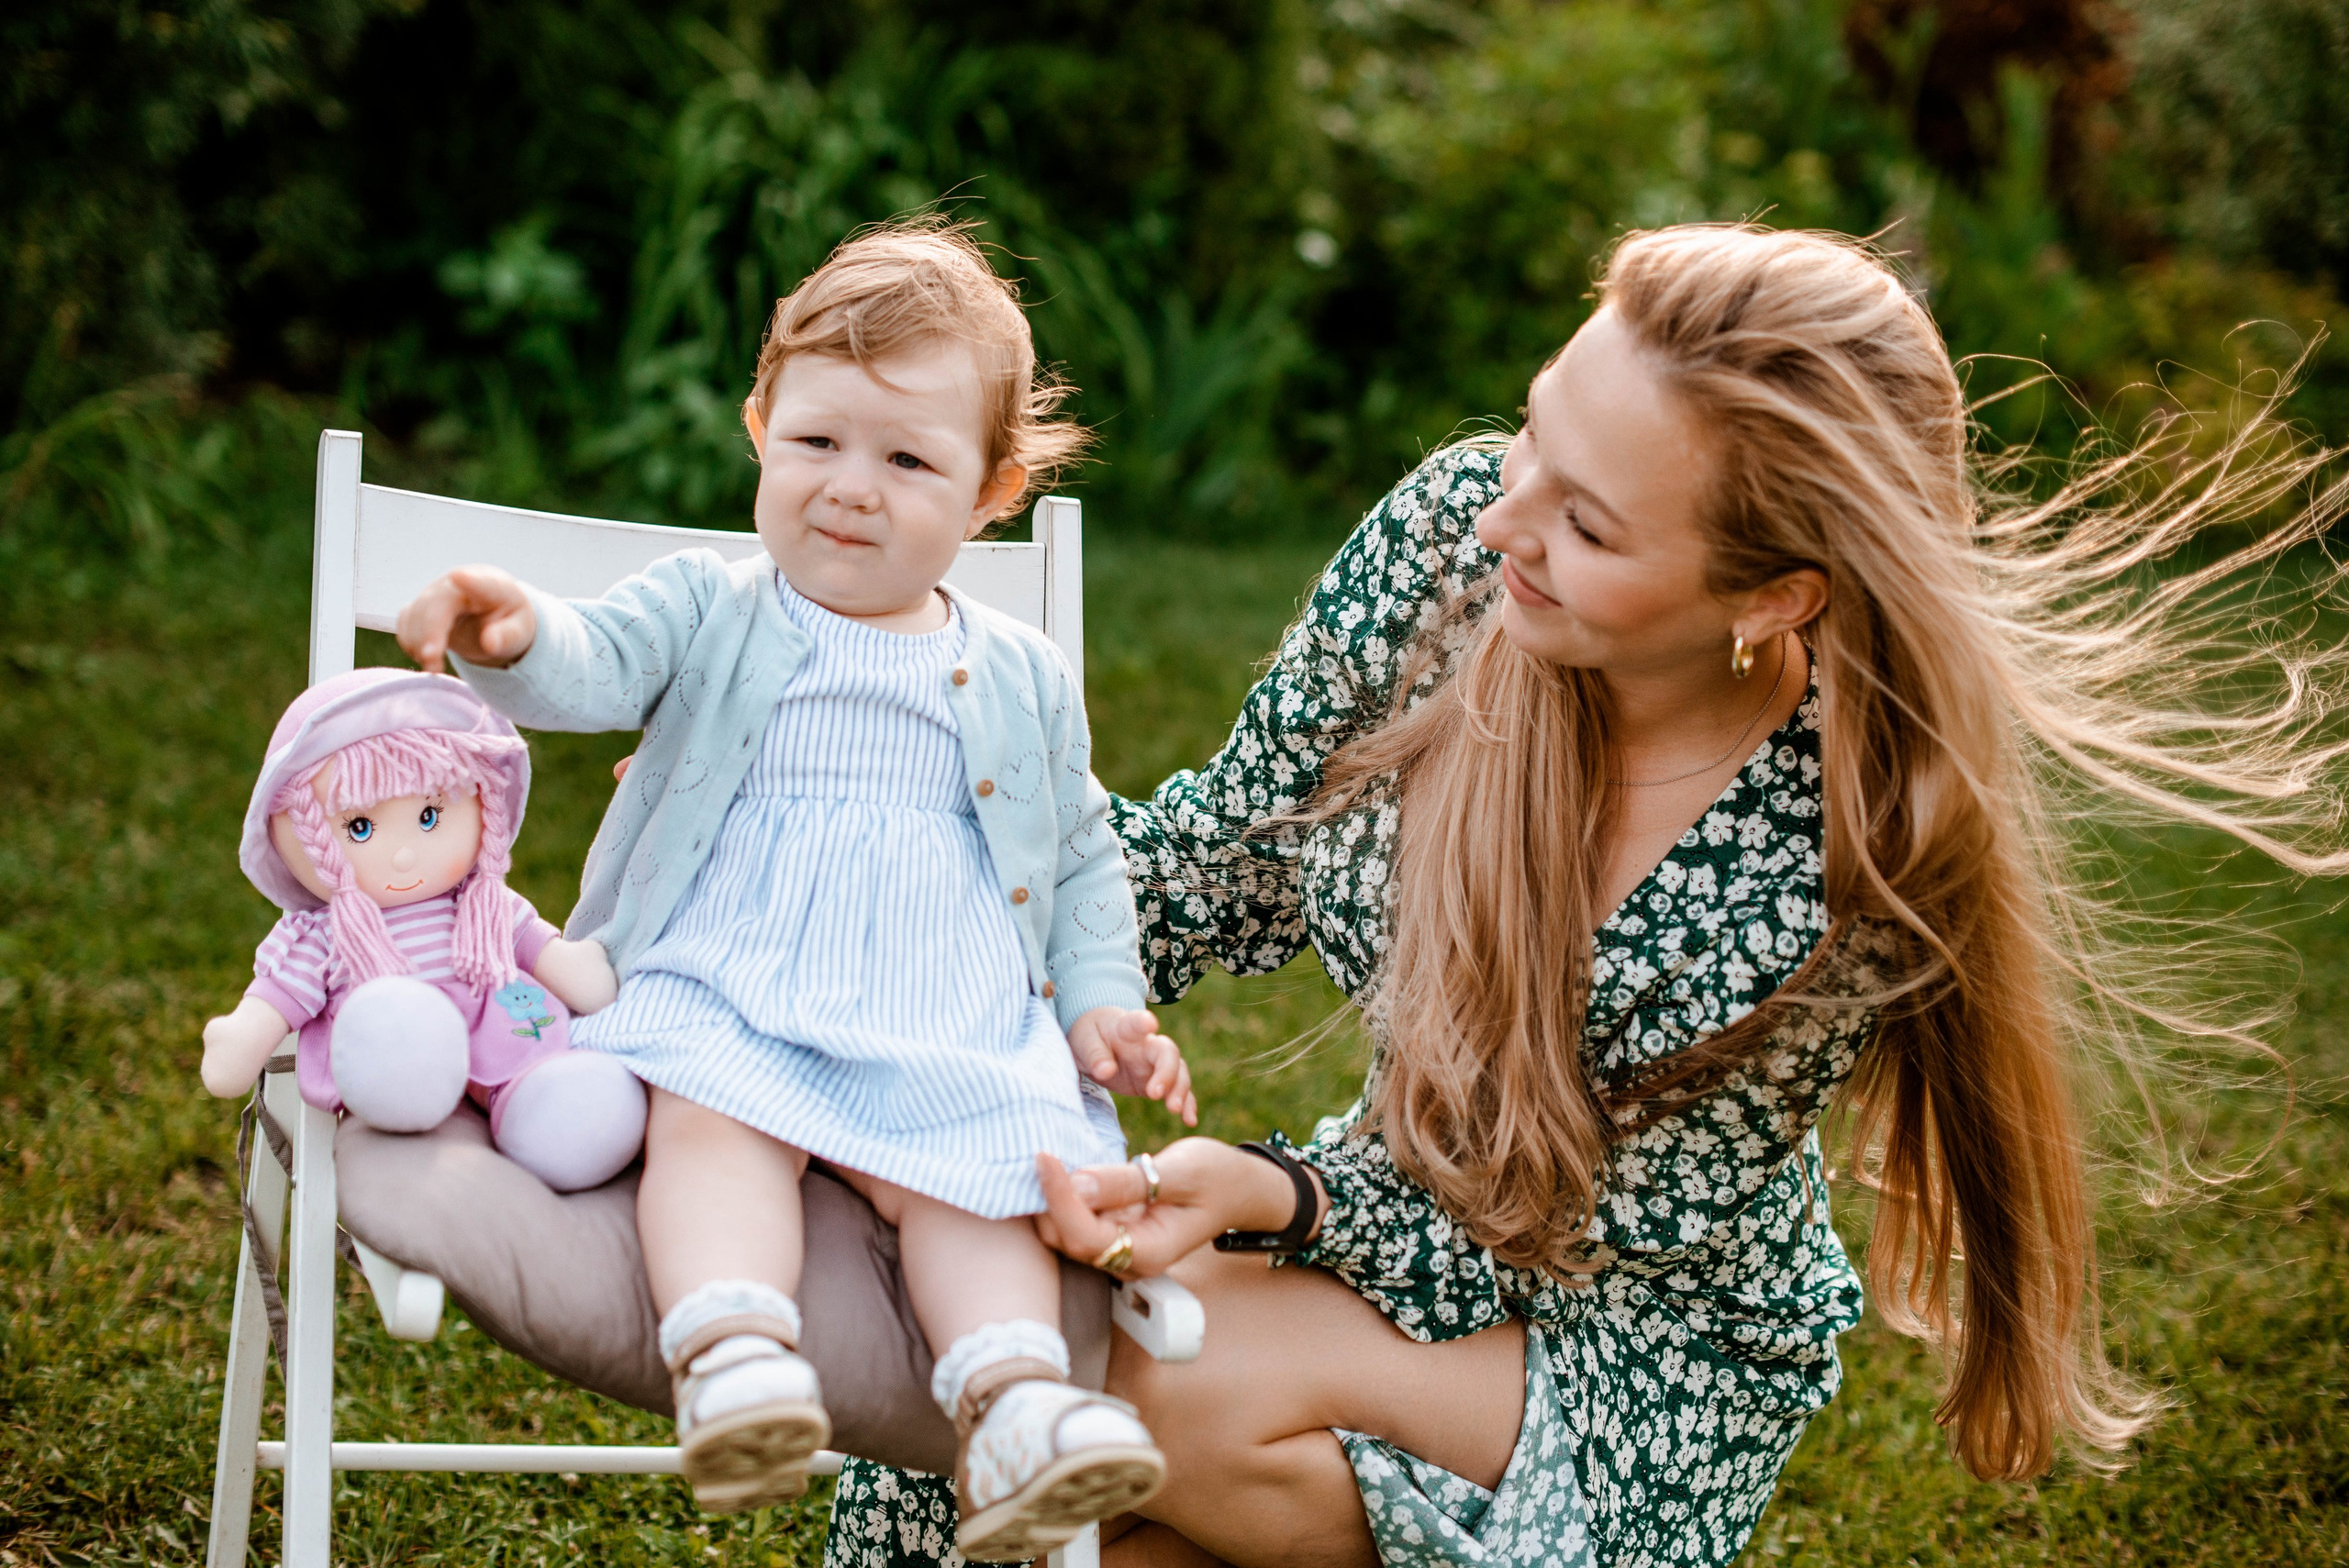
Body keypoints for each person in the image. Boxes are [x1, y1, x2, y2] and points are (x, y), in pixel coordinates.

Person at [824, 222, 2349, 1567]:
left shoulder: (1832, 862)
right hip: (1399, 1221)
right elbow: (1227, 856)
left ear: (1772, 598)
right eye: (1538, 436)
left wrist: (1283, 1196)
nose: (1507, 519)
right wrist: (868, 862)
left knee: (1126, 1386)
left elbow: (1539, 1220)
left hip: (1617, 1333)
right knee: (1062, 1487)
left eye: (1590, 521)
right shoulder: (1454, 540)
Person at [394, 222, 1198, 1560]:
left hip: (944, 1005)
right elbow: (595, 663)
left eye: (906, 460)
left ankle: (1010, 1405)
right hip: (737, 970)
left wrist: (1101, 1003)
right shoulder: (714, 604)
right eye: (818, 441)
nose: (852, 489)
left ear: (991, 488)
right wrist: (519, 631)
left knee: (988, 1171)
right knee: (713, 1121)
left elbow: (1076, 854)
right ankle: (734, 1352)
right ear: (763, 423)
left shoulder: (1020, 671)